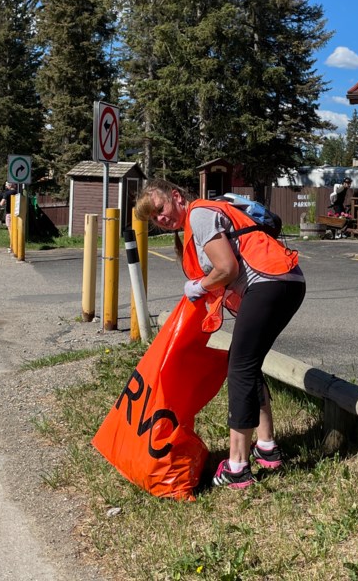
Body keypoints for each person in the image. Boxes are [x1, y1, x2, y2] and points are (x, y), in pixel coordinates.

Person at [135, 179, 306, 489]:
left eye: (160, 209)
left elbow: (227, 268)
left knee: (239, 367)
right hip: (284, 281)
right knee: (247, 363)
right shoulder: (195, 220)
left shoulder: (199, 214)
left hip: (267, 283)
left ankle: (238, 466)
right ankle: (266, 445)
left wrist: (199, 286)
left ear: (176, 197)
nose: (160, 219)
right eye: (153, 219)